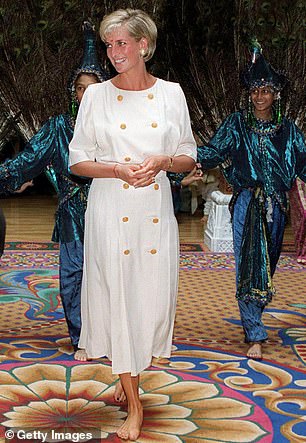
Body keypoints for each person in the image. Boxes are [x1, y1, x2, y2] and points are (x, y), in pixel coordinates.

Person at [69, 8, 196, 441]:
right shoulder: (97, 97)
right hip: (110, 213)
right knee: (117, 299)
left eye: (121, 43)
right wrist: (118, 170)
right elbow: (78, 161)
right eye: (109, 44)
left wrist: (164, 161)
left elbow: (188, 154)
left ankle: (129, 372)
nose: (113, 52)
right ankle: (134, 402)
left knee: (148, 299)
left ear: (144, 45)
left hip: (154, 215)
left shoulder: (172, 94)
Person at [0, 21, 107, 355]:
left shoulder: (117, 125)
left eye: (92, 87)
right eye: (79, 87)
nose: (85, 94)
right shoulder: (59, 127)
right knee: (73, 276)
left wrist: (174, 174)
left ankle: (107, 334)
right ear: (72, 92)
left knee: (106, 277)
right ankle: (82, 338)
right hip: (73, 214)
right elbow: (28, 160)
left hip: (110, 211)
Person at [198, 44, 306, 361]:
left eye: (265, 91)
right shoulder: (236, 125)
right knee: (249, 266)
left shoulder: (288, 131)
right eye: (254, 91)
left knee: (267, 267)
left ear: (276, 95)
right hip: (247, 202)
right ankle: (254, 331)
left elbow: (303, 164)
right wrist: (180, 159)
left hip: (276, 208)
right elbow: (212, 152)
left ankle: (254, 316)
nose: (259, 97)